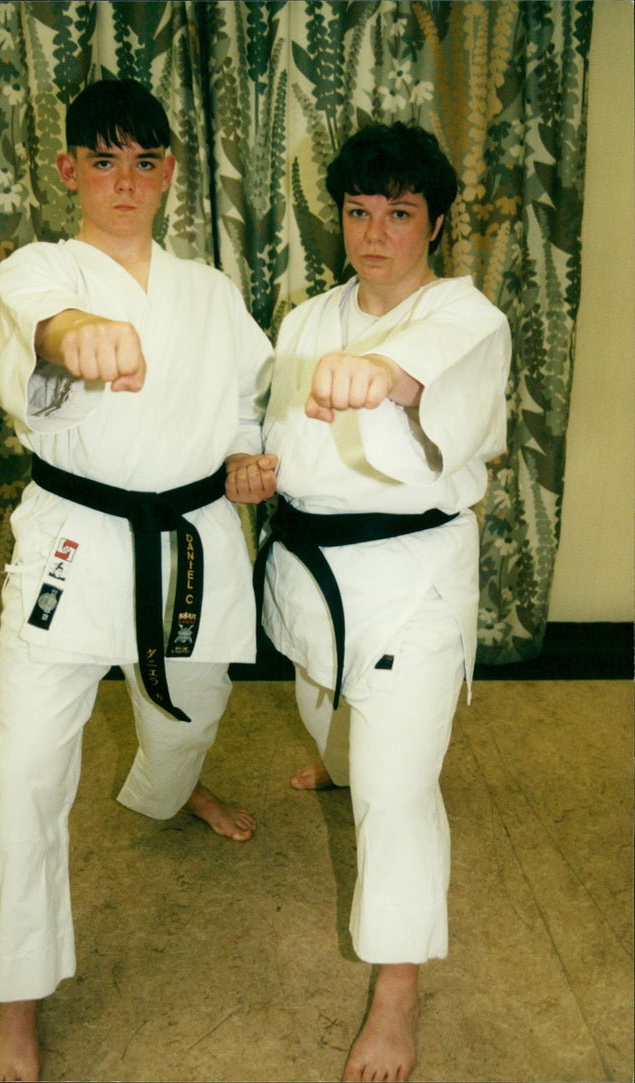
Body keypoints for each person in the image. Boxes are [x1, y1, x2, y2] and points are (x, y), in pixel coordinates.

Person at [0, 78, 277, 1082]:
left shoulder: (208, 292)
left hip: (192, 540)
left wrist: (245, 454)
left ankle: (168, 790)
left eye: (144, 162)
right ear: (67, 170)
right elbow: (41, 328)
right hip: (71, 543)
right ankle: (17, 1006)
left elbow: (245, 396)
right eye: (102, 161)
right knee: (22, 776)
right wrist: (76, 341)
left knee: (188, 721)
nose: (124, 183)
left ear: (169, 173)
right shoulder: (37, 269)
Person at [257, 121, 511, 1081]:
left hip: (410, 579)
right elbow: (276, 432)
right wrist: (255, 467)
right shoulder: (307, 317)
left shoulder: (465, 315)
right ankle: (338, 757)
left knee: (396, 791)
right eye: (359, 212)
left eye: (398, 214)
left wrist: (382, 379)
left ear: (434, 222)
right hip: (314, 574)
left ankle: (396, 991)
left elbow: (416, 370)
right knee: (328, 714)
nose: (374, 234)